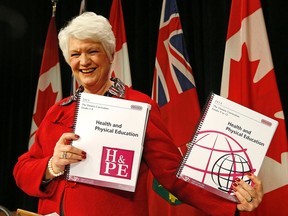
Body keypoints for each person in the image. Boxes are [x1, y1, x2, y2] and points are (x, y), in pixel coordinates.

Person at [13, 12, 263, 216]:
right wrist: (52, 165)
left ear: (110, 54)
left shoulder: (139, 105)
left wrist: (232, 198)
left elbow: (173, 174)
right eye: (75, 54)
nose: (84, 61)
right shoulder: (59, 110)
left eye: (92, 51)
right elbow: (23, 170)